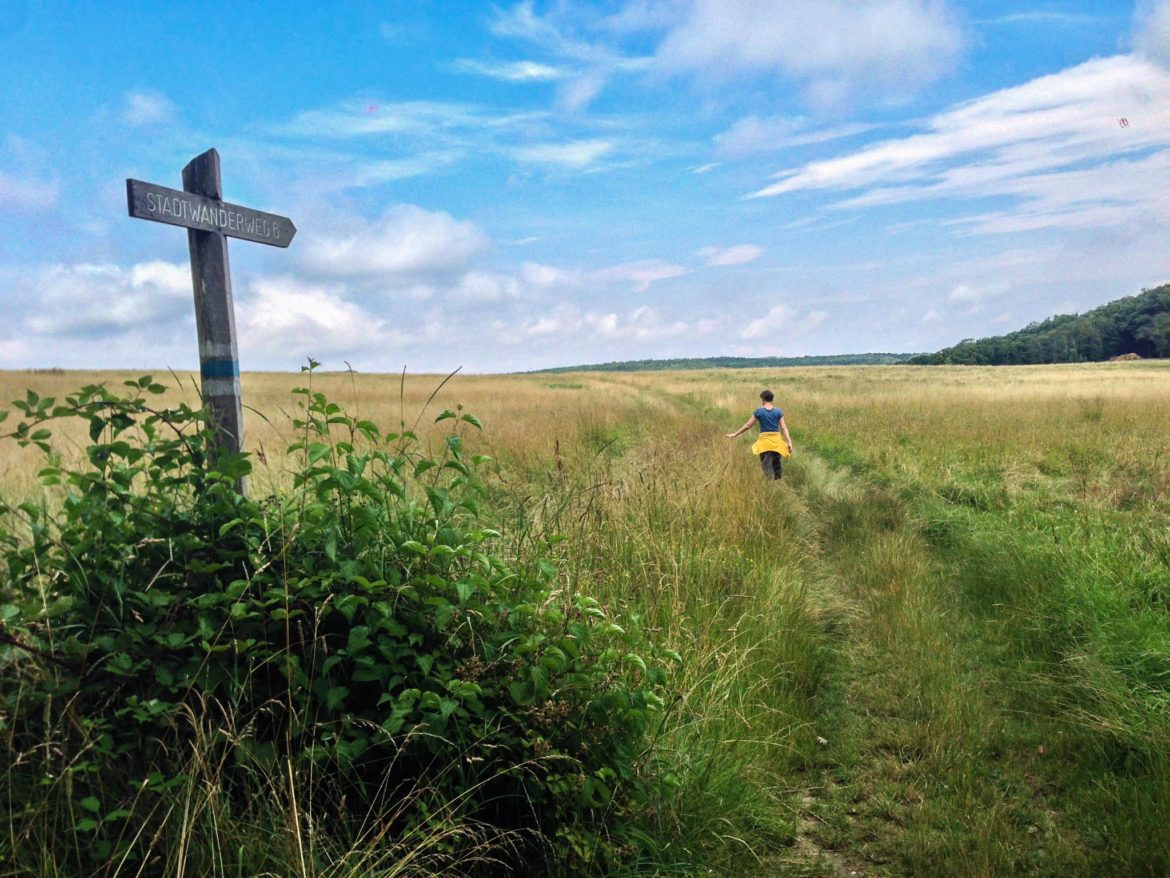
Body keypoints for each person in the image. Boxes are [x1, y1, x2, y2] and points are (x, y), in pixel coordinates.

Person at [726, 389, 793, 480]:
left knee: (766, 466)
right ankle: (778, 482)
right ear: (771, 399)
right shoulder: (778, 411)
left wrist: (735, 434)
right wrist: (789, 442)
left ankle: (769, 483)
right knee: (776, 464)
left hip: (764, 443)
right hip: (777, 442)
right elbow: (784, 427)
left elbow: (748, 425)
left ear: (763, 399)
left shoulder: (759, 411)